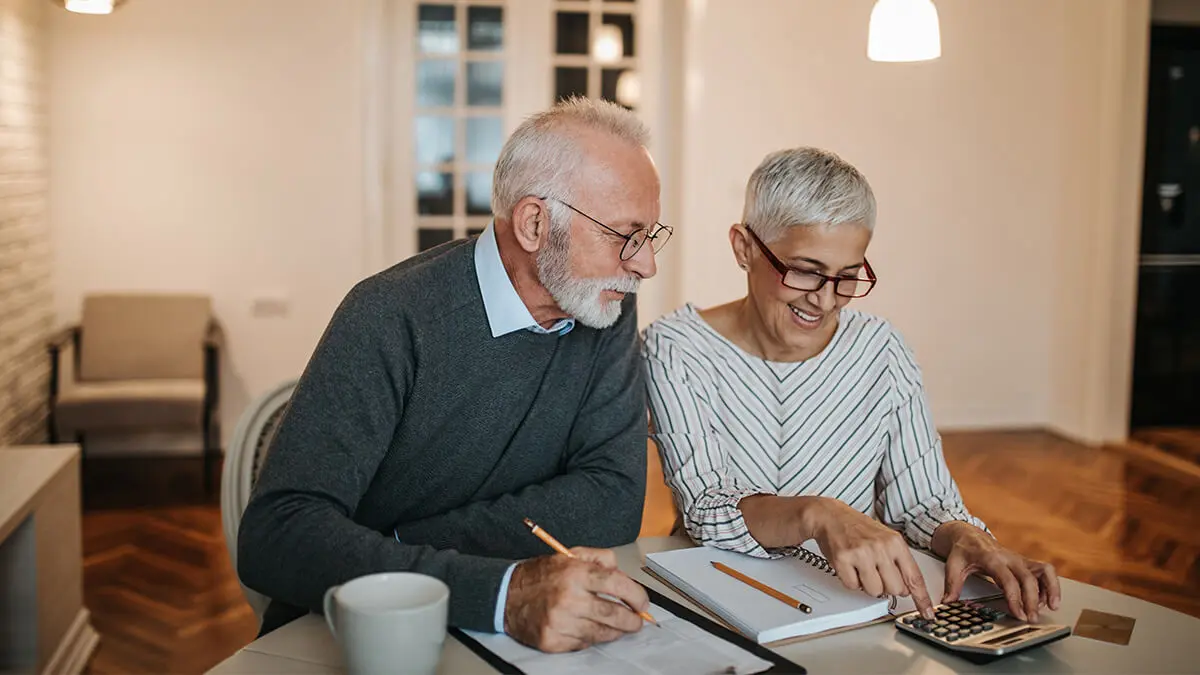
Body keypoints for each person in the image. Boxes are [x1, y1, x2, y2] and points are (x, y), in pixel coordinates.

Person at [238, 96, 674, 653]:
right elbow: (277, 535)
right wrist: (500, 590)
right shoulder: (390, 315)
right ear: (536, 223)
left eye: (652, 236)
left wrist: (398, 547)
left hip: (502, 630)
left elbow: (611, 502)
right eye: (625, 235)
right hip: (359, 636)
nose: (645, 265)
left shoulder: (604, 305)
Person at [640, 147, 1060, 623]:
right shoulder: (676, 347)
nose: (824, 300)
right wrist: (818, 514)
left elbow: (922, 502)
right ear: (744, 248)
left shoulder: (881, 350)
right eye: (805, 271)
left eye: (846, 277)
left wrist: (969, 537)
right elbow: (706, 507)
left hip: (853, 603)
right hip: (719, 598)